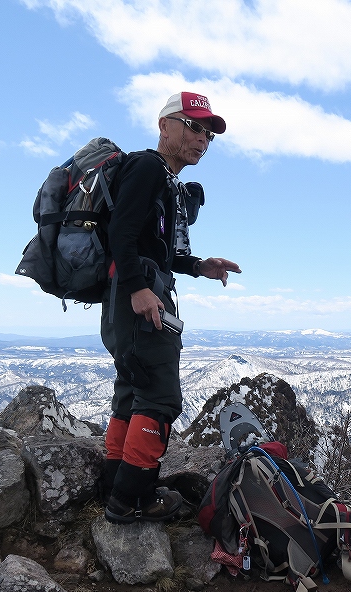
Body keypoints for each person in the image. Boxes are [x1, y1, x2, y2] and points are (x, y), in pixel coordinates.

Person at [100, 92, 241, 524]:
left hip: (129, 294)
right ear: (165, 126)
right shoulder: (146, 166)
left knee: (133, 391)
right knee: (160, 397)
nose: (202, 139)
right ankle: (133, 499)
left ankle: (113, 483)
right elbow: (119, 234)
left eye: (209, 134)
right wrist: (139, 288)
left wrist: (199, 265)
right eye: (193, 127)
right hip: (139, 297)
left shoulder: (165, 180)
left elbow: (156, 248)